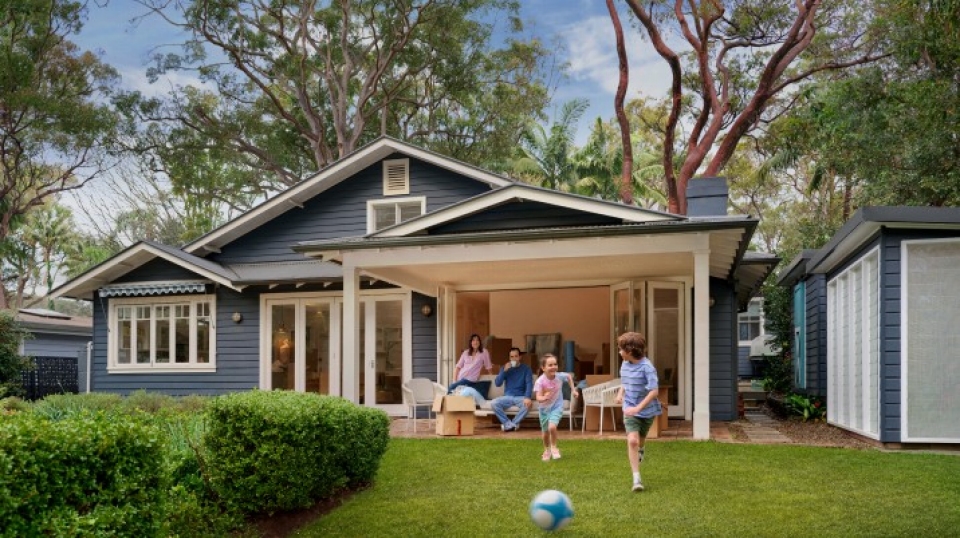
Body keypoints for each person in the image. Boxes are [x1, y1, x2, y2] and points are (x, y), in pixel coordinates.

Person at [613, 331, 661, 492]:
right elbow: (624, 383)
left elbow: (654, 391)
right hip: (629, 409)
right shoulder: (625, 365)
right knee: (632, 441)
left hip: (646, 411)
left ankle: (641, 448)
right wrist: (620, 395)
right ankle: (636, 478)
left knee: (640, 440)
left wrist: (639, 408)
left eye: (621, 349)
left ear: (630, 351)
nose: (619, 352)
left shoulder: (647, 367)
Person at [533, 353, 578, 461]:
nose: (553, 367)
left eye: (555, 364)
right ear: (543, 368)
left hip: (557, 407)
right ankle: (546, 450)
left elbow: (568, 377)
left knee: (552, 427)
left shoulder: (559, 376)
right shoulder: (540, 381)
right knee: (545, 433)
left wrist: (573, 390)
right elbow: (538, 397)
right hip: (544, 409)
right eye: (550, 365)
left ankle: (554, 447)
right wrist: (544, 398)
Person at [491, 347, 534, 432]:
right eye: (512, 357)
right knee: (493, 403)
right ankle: (509, 424)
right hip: (508, 396)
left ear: (520, 357)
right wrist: (504, 371)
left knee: (528, 404)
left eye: (516, 356)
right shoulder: (505, 368)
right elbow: (497, 383)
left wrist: (527, 397)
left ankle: (511, 424)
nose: (514, 359)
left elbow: (529, 384)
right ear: (509, 358)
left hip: (520, 397)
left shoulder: (526, 369)